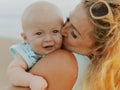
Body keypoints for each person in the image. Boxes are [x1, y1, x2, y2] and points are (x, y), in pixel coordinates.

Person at [7, 0, 120, 90]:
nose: (62, 31)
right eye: (68, 20)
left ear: (99, 49)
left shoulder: (64, 62)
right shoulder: (105, 78)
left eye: (74, 34)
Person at [7, 1, 63, 90]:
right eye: (39, 33)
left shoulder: (63, 46)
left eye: (55, 31)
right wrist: (30, 80)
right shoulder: (28, 53)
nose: (48, 39)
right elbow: (12, 72)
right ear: (26, 38)